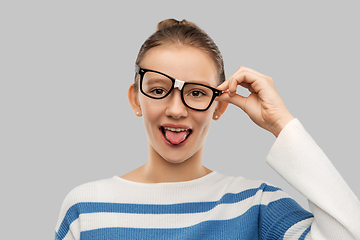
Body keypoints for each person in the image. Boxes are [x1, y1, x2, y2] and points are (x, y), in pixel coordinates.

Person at [55, 19, 360, 240]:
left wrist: (281, 123)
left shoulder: (256, 206)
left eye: (197, 93)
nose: (176, 110)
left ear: (220, 106)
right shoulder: (86, 207)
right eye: (159, 90)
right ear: (136, 99)